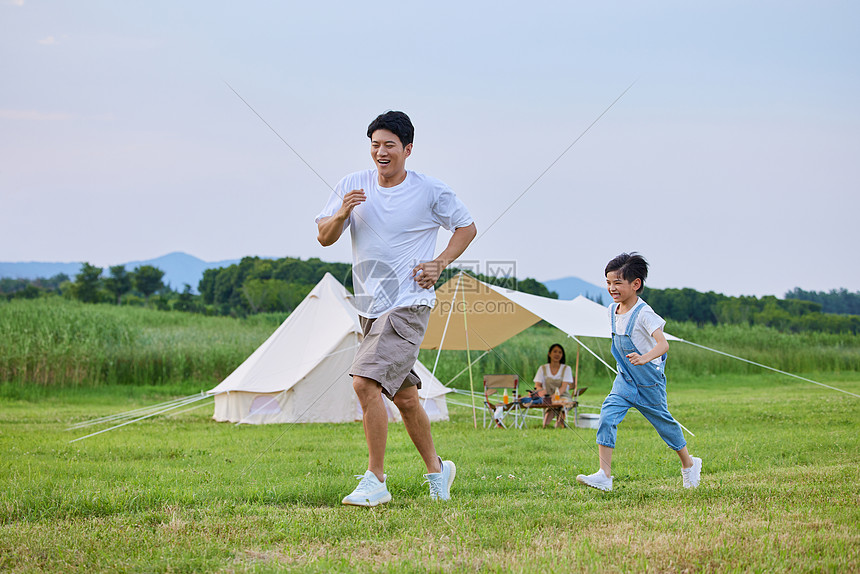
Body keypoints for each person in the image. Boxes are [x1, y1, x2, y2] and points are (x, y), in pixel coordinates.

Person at [316, 111, 477, 506]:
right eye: (375, 144)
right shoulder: (352, 184)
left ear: (407, 149)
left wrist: (439, 263)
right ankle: (439, 472)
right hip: (370, 306)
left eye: (389, 145)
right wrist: (341, 213)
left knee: (363, 381)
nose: (380, 152)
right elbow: (324, 237)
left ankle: (376, 479)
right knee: (405, 399)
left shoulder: (429, 190)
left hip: (409, 302)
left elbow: (466, 227)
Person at [576, 253, 702, 491]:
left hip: (648, 382)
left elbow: (663, 345)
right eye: (608, 282)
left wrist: (644, 358)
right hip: (625, 379)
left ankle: (689, 464)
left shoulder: (645, 314)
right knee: (607, 416)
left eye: (618, 283)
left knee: (664, 424)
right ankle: (604, 474)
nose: (612, 288)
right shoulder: (612, 310)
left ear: (636, 284)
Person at [533, 343, 574, 428]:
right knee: (550, 406)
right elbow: (537, 385)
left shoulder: (567, 368)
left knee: (562, 404)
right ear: (549, 353)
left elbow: (563, 388)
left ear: (562, 355)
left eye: (560, 352)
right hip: (547, 396)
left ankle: (559, 424)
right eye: (555, 351)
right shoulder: (542, 368)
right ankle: (546, 426)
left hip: (562, 395)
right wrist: (541, 391)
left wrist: (553, 397)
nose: (557, 354)